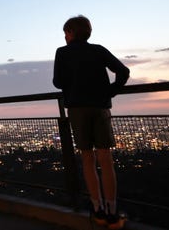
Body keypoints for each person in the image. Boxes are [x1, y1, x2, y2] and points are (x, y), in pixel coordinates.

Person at [53, 15, 130, 230]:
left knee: (87, 159)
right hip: (100, 108)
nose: (65, 36)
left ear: (71, 33)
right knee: (106, 159)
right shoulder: (98, 50)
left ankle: (98, 210)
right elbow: (123, 72)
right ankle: (113, 213)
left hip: (77, 110)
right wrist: (110, 92)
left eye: (66, 32)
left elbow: (57, 82)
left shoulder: (62, 52)